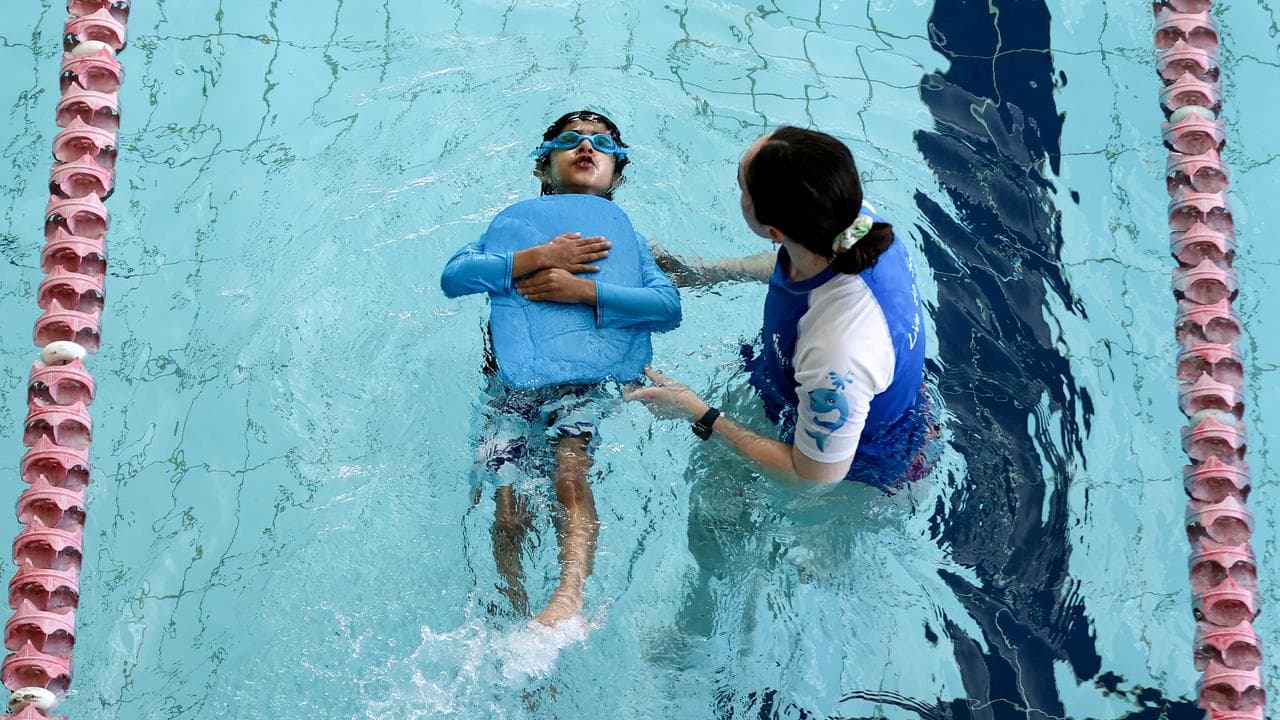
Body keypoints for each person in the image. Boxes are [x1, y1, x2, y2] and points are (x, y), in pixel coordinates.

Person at [440, 110, 680, 626]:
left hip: (587, 383)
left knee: (568, 474)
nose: (586, 147)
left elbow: (668, 309)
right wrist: (535, 257)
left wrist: (585, 291)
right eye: (570, 140)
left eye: (602, 143)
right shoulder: (514, 231)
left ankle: (568, 597)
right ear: (541, 168)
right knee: (508, 506)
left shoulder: (628, 242)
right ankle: (512, 603)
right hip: (509, 383)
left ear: (619, 171)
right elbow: (454, 277)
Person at [627, 126, 935, 491]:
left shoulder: (839, 348)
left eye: (742, 187)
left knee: (710, 522)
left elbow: (811, 480)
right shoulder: (852, 221)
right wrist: (708, 274)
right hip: (816, 387)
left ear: (773, 230)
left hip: (859, 471)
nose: (738, 190)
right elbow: (796, 258)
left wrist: (697, 412)